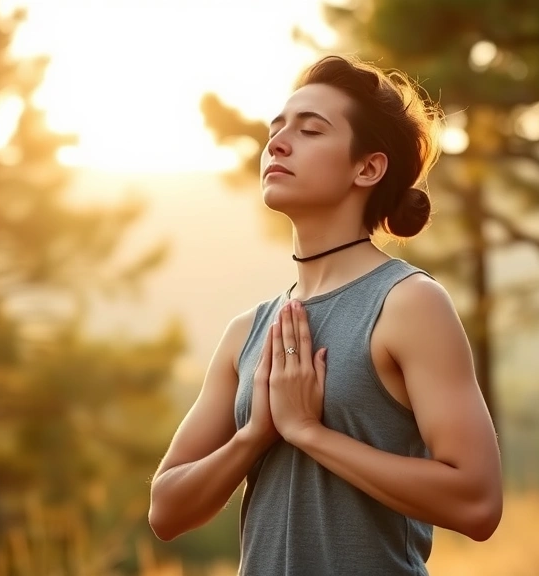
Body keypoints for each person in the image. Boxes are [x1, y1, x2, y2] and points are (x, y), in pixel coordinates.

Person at [148, 55, 503, 575]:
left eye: (311, 130)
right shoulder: (246, 332)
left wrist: (309, 431)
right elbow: (166, 510)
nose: (278, 142)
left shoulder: (408, 303)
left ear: (368, 168)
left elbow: (477, 502)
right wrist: (255, 436)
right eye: (277, 129)